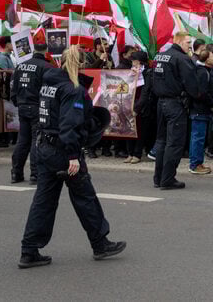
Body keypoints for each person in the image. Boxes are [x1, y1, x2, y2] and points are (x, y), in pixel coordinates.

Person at [18, 46, 126, 268]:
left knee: (43, 201)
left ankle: (29, 250)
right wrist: (73, 156)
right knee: (85, 196)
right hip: (62, 150)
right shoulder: (73, 89)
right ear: (81, 63)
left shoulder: (49, 83)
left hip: (44, 147)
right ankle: (100, 243)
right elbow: (70, 125)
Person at [150, 31, 199, 190]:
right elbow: (192, 85)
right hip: (175, 103)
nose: (189, 46)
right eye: (187, 43)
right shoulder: (182, 59)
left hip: (161, 103)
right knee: (174, 143)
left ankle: (159, 178)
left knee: (162, 141)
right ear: (178, 42)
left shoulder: (159, 56)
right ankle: (168, 179)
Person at [10, 40, 55, 183]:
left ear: (33, 50)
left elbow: (13, 87)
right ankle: (35, 174)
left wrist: (18, 102)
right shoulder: (47, 67)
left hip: (22, 106)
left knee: (22, 141)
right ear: (46, 50)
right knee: (37, 140)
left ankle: (16, 173)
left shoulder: (20, 66)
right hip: (37, 107)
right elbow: (49, 90)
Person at [188, 49, 213, 176]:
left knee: (198, 137)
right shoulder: (202, 72)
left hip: (200, 109)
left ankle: (197, 162)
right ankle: (195, 164)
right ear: (207, 59)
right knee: (198, 138)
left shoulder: (204, 71)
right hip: (200, 109)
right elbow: (201, 93)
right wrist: (212, 104)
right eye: (212, 55)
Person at [127, 52, 154, 164]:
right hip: (130, 103)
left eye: (134, 60)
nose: (132, 62)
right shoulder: (131, 71)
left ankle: (137, 154)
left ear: (139, 61)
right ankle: (130, 153)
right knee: (129, 130)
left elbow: (145, 92)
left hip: (141, 107)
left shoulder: (147, 73)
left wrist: (137, 109)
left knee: (140, 131)